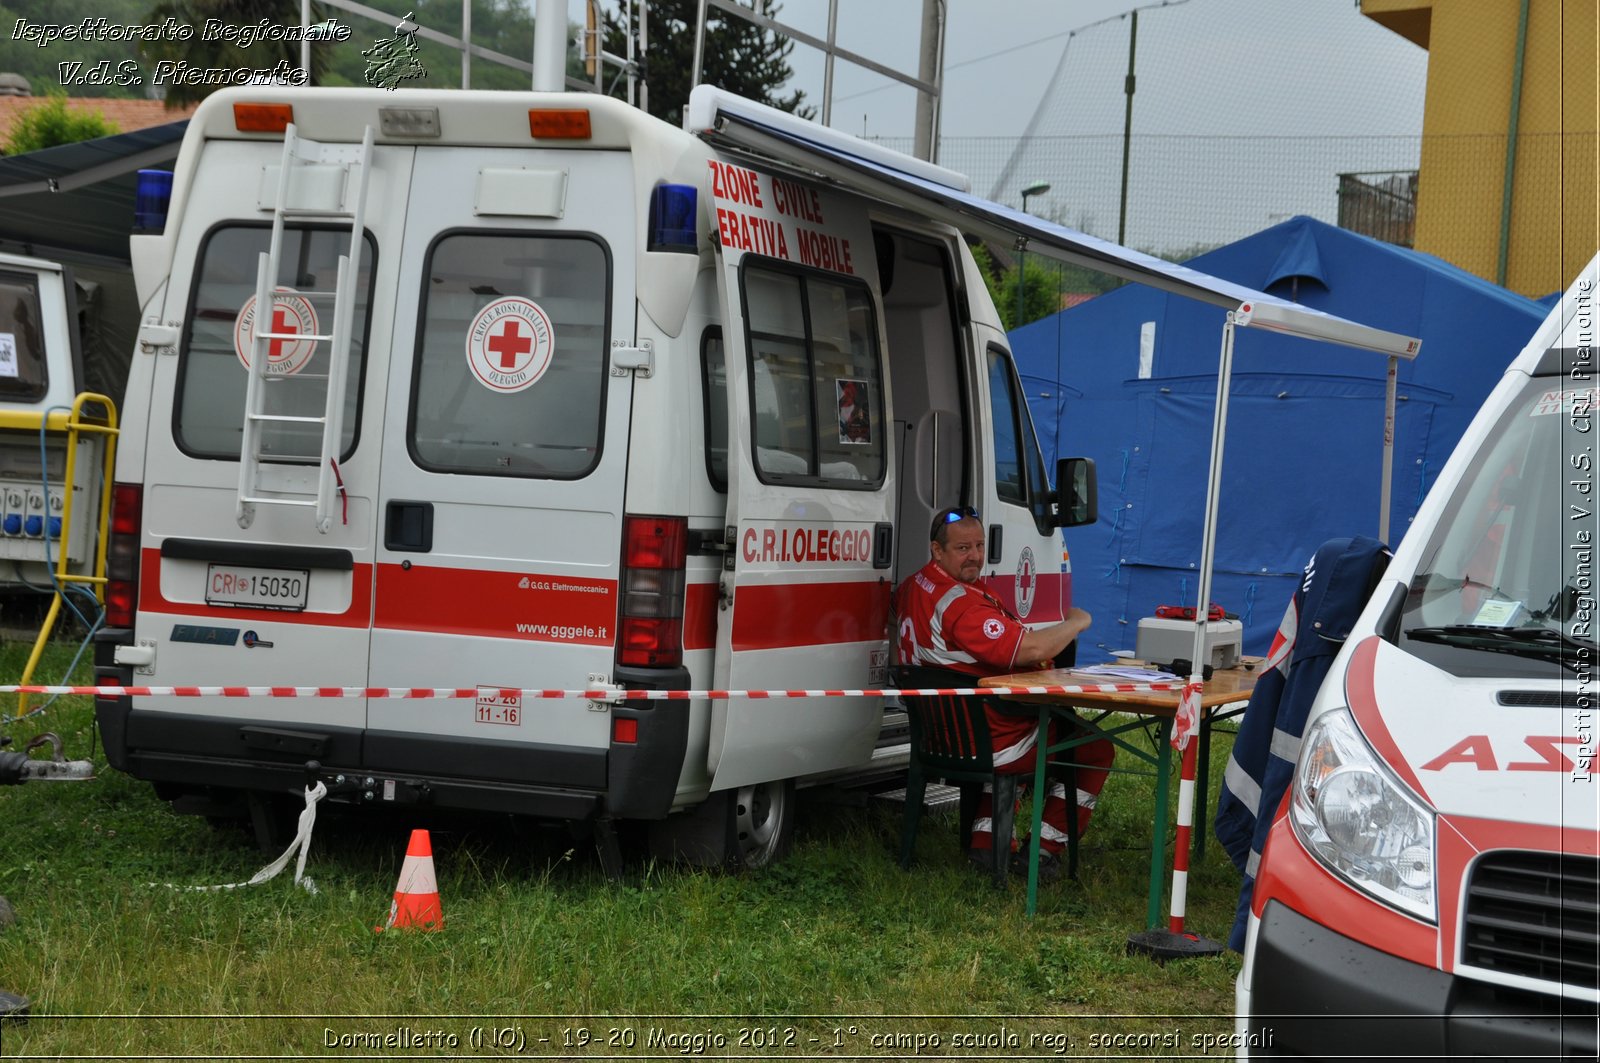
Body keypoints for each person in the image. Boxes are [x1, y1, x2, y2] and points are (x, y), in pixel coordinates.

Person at [893, 506, 1115, 882]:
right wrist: (1076, 622)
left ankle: (986, 843)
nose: (976, 556)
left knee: (1028, 723)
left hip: (943, 732)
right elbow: (1028, 650)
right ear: (937, 551)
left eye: (980, 545)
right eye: (963, 548)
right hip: (984, 738)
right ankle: (1044, 851)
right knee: (1093, 748)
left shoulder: (914, 586)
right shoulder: (959, 604)